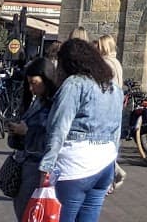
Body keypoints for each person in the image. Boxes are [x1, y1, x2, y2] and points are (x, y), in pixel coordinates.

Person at [38, 38, 123, 222]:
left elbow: (59, 128)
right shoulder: (114, 88)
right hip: (104, 163)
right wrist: (113, 165)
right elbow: (116, 131)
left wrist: (46, 166)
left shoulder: (75, 84)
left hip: (75, 164)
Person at [7, 56, 55, 221]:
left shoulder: (54, 105)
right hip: (25, 162)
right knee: (23, 211)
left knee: (29, 213)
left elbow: (53, 137)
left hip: (36, 165)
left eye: (34, 83)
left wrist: (27, 131)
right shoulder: (38, 101)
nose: (30, 88)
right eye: (29, 83)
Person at [94, 35, 126, 190]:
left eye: (99, 46)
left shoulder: (105, 64)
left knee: (103, 144)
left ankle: (110, 178)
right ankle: (114, 173)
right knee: (112, 144)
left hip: (106, 109)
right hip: (116, 108)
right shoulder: (117, 63)